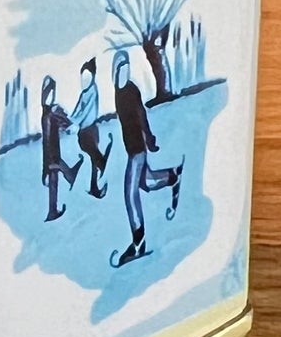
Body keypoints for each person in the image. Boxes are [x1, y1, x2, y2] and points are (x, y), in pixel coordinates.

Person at [110, 50, 183, 266]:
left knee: (130, 193)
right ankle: (172, 176)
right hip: (131, 148)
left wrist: (149, 138)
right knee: (146, 182)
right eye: (120, 69)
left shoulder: (131, 91)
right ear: (114, 73)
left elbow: (141, 115)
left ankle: (138, 242)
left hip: (137, 149)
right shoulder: (118, 93)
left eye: (126, 68)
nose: (124, 72)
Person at [69, 58, 112, 199]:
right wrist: (70, 120)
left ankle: (104, 168)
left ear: (92, 78)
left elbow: (86, 111)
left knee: (94, 155)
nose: (84, 82)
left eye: (87, 78)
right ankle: (95, 187)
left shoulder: (93, 91)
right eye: (82, 79)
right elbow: (77, 110)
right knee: (93, 158)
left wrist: (76, 122)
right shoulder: (84, 93)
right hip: (83, 130)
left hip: (90, 129)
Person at [40, 75, 81, 222]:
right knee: (55, 176)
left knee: (53, 180)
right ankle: (70, 175)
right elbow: (68, 125)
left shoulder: (48, 113)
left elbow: (64, 124)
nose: (50, 97)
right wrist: (69, 123)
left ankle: (52, 210)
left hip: (50, 154)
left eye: (51, 93)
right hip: (52, 154)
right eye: (48, 93)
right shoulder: (50, 113)